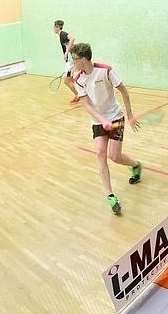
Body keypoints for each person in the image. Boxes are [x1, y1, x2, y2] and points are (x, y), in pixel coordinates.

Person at [70, 43, 143, 215]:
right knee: (100, 153)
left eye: (74, 59)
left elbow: (124, 91)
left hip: (116, 117)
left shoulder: (106, 71)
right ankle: (111, 196)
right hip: (98, 121)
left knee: (115, 156)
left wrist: (130, 115)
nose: (73, 62)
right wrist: (102, 120)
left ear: (83, 59)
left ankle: (136, 165)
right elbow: (86, 104)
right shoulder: (78, 79)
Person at [53, 19, 79, 104]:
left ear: (57, 27)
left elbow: (72, 39)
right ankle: (83, 92)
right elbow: (71, 44)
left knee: (67, 81)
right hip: (71, 60)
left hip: (71, 61)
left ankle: (78, 95)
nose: (53, 29)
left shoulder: (63, 34)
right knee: (71, 79)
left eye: (54, 27)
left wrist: (67, 53)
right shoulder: (61, 35)